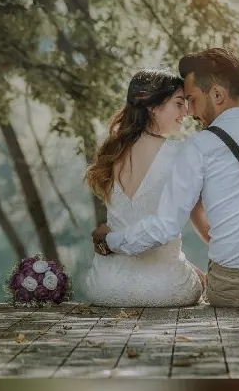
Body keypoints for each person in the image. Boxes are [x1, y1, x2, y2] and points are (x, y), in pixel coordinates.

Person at [93, 48, 239, 308]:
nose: (190, 112)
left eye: (192, 99)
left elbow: (164, 227)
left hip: (226, 291)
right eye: (182, 102)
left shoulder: (198, 146)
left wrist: (110, 240)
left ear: (217, 94)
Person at [84, 69, 206, 307]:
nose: (187, 112)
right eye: (179, 103)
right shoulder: (182, 153)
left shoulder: (111, 151)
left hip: (105, 287)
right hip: (165, 289)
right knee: (200, 281)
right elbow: (166, 228)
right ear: (151, 106)